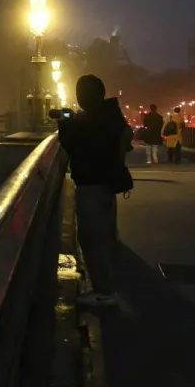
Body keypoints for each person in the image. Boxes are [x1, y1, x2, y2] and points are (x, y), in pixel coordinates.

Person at [58, 74, 134, 308]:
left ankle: (104, 292)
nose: (78, 99)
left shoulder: (95, 120)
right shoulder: (109, 115)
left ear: (87, 96)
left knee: (91, 237)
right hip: (105, 183)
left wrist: (64, 124)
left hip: (93, 184)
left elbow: (72, 143)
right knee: (103, 234)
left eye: (80, 93)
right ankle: (105, 287)